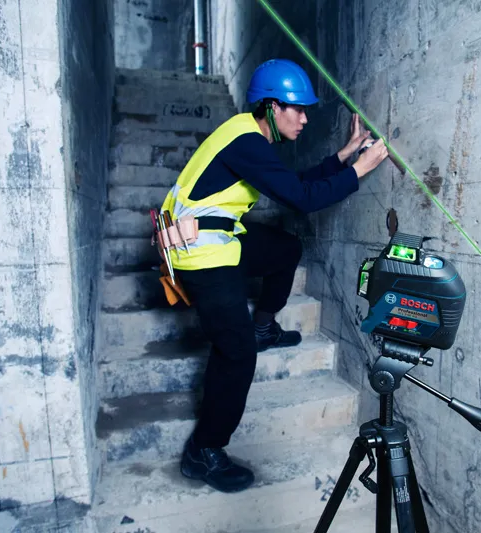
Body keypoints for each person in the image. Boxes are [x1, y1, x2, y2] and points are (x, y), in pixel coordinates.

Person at [160, 58, 389, 493]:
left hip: (220, 242)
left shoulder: (250, 137)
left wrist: (343, 157)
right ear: (270, 106)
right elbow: (301, 198)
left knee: (286, 248)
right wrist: (360, 169)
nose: (304, 119)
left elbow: (292, 184)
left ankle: (263, 325)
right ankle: (203, 451)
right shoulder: (246, 141)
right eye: (296, 109)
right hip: (200, 256)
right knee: (236, 353)